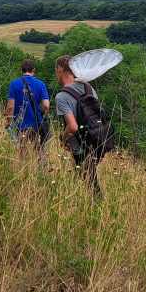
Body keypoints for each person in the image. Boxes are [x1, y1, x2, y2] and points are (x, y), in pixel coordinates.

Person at [54, 55, 114, 198]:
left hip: (80, 141)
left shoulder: (61, 96)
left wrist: (62, 138)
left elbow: (73, 126)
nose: (56, 73)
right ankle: (79, 200)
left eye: (56, 70)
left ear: (60, 70)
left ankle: (97, 205)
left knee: (88, 178)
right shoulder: (88, 87)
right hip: (99, 136)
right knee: (85, 173)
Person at [7, 59, 51, 162]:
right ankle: (42, 171)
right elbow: (46, 106)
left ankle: (23, 171)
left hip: (20, 124)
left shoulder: (14, 84)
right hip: (36, 123)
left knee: (21, 150)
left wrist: (9, 122)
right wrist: (41, 114)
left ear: (21, 70)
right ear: (33, 70)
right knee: (39, 150)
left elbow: (10, 107)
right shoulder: (41, 84)